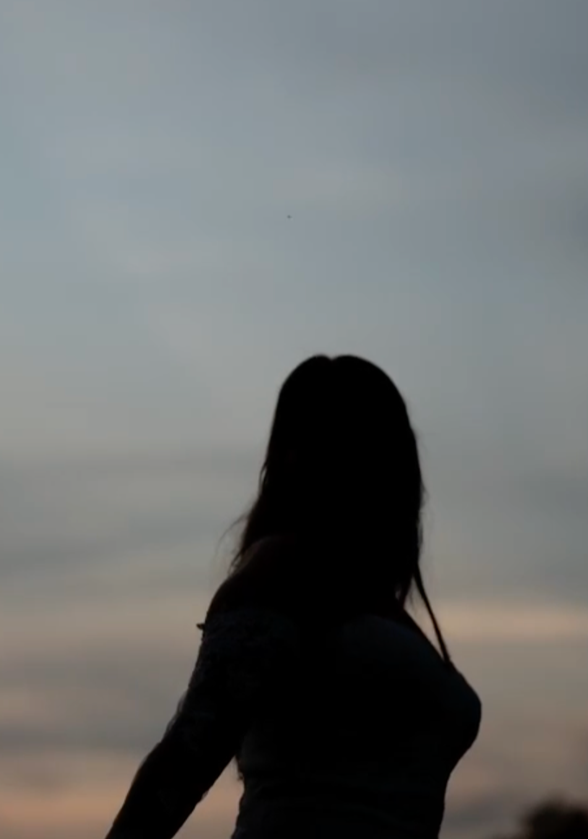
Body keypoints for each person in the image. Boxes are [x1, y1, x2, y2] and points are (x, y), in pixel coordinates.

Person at [104, 355, 480, 839]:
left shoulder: (380, 606)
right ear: (292, 457)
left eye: (370, 439)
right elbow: (182, 762)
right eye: (336, 437)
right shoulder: (281, 572)